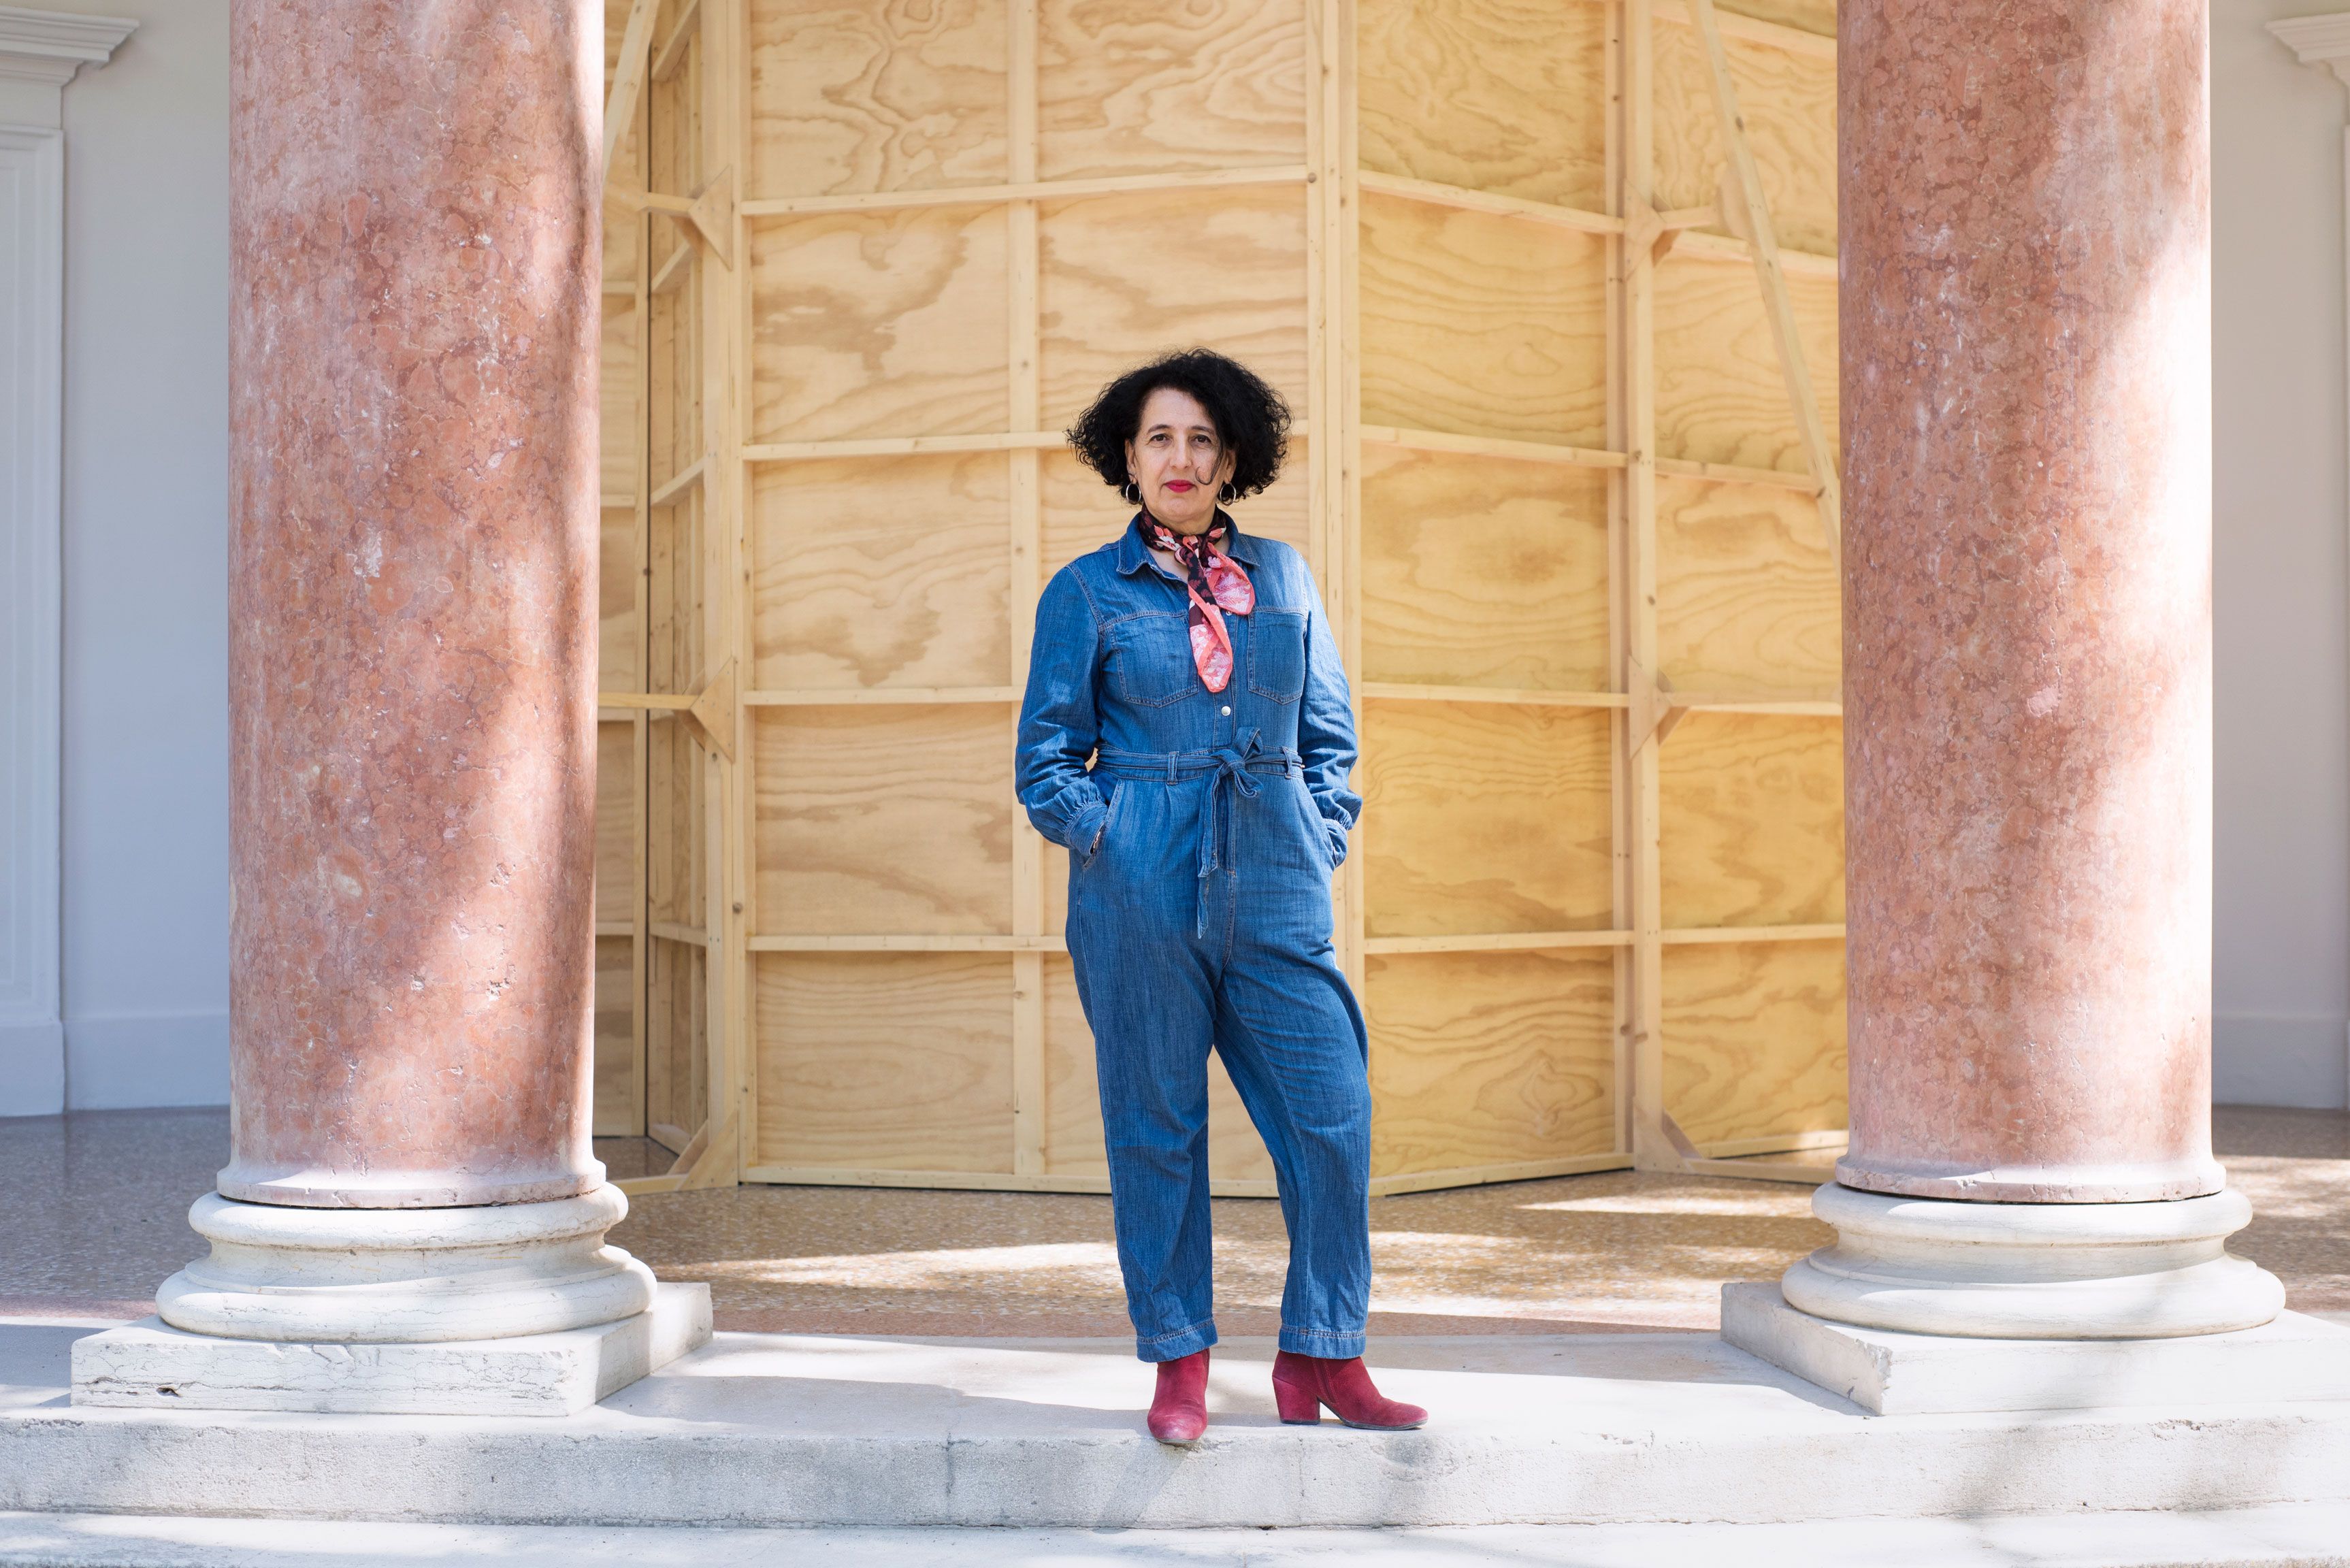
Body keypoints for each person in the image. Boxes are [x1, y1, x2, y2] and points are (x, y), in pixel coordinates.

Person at [1015, 348, 1428, 1443]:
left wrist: (1311, 832)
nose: (1181, 457)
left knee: (1332, 1118)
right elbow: (1046, 762)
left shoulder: (1286, 578)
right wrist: (1112, 838)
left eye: (1201, 438)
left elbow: (1331, 738)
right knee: (1155, 1128)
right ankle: (1179, 1365)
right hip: (1137, 884)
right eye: (1160, 438)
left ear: (1233, 456)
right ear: (1129, 459)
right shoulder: (1085, 592)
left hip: (1275, 876)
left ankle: (1324, 1356)